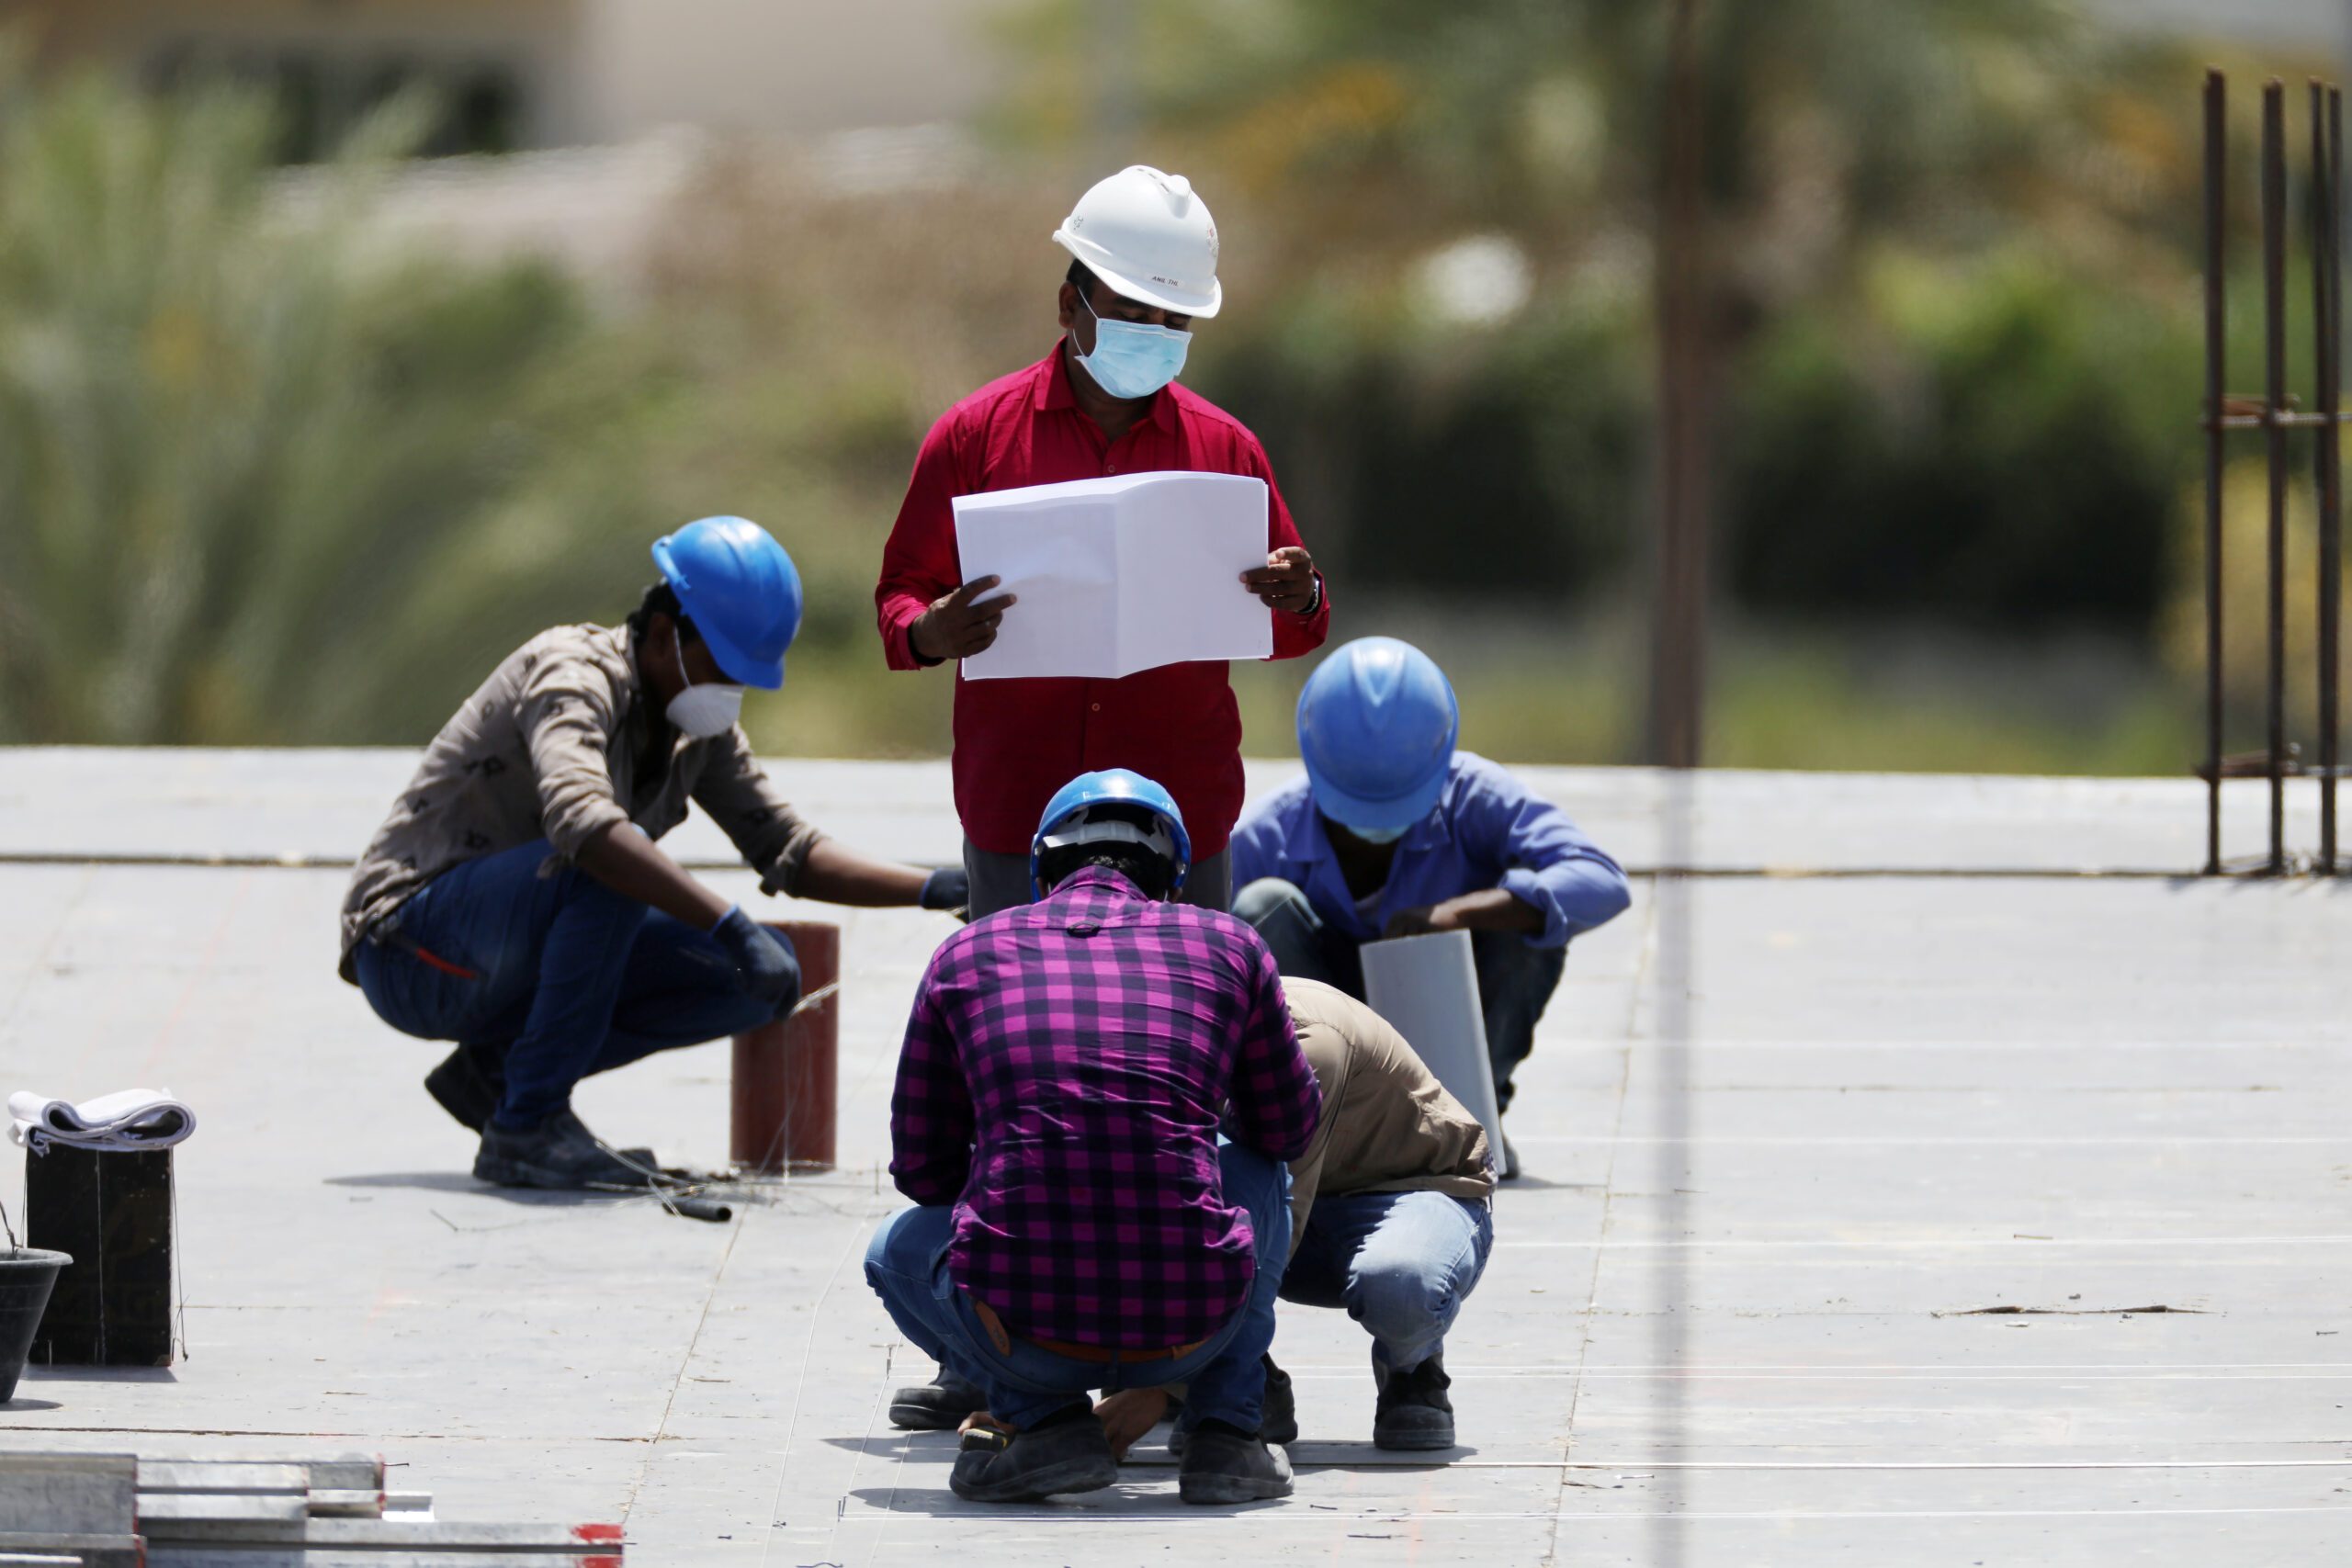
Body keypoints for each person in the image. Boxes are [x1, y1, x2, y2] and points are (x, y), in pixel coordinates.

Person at [340, 516, 966, 1190]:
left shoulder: (696, 728)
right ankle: (527, 1127)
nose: (732, 690)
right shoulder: (572, 673)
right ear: (667, 633)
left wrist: (932, 887)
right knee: (613, 863)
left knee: (755, 974)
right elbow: (584, 824)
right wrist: (727, 919)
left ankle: (498, 1078)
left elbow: (787, 846)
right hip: (412, 948)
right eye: (723, 668)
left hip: (500, 955)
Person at [874, 164, 1330, 920]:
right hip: (1016, 815)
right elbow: (898, 594)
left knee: (1188, 1034)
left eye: (1174, 322)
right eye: (1132, 313)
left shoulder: (1228, 449)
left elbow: (1296, 624)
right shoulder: (973, 436)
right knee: (1017, 1032)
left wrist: (1301, 593)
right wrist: (930, 631)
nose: (1155, 336)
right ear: (1068, 304)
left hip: (1181, 821)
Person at [862, 769, 1320, 1506]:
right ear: (1173, 878)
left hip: (1023, 1333)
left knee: (893, 1248)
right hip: (1193, 1326)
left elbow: (924, 1172)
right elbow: (1289, 1128)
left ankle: (1042, 1420)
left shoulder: (965, 955)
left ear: (1043, 873)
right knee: (1260, 1172)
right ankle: (1226, 1437)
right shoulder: (1231, 946)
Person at [1230, 637, 1630, 1175]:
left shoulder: (1477, 797)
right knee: (1259, 908)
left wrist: (1462, 914)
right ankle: (1326, 1126)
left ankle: (1469, 1118)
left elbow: (1600, 878)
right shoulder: (1265, 836)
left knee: (1528, 916)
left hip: (1450, 1034)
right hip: (1333, 1049)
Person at [1093, 977, 1496, 1455]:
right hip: (1292, 1200)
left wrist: (1154, 1387)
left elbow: (1276, 1227)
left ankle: (1413, 1368)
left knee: (1401, 1284)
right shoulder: (1148, 1037)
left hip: (1409, 1188)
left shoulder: (1308, 1042)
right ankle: (1251, 1384)